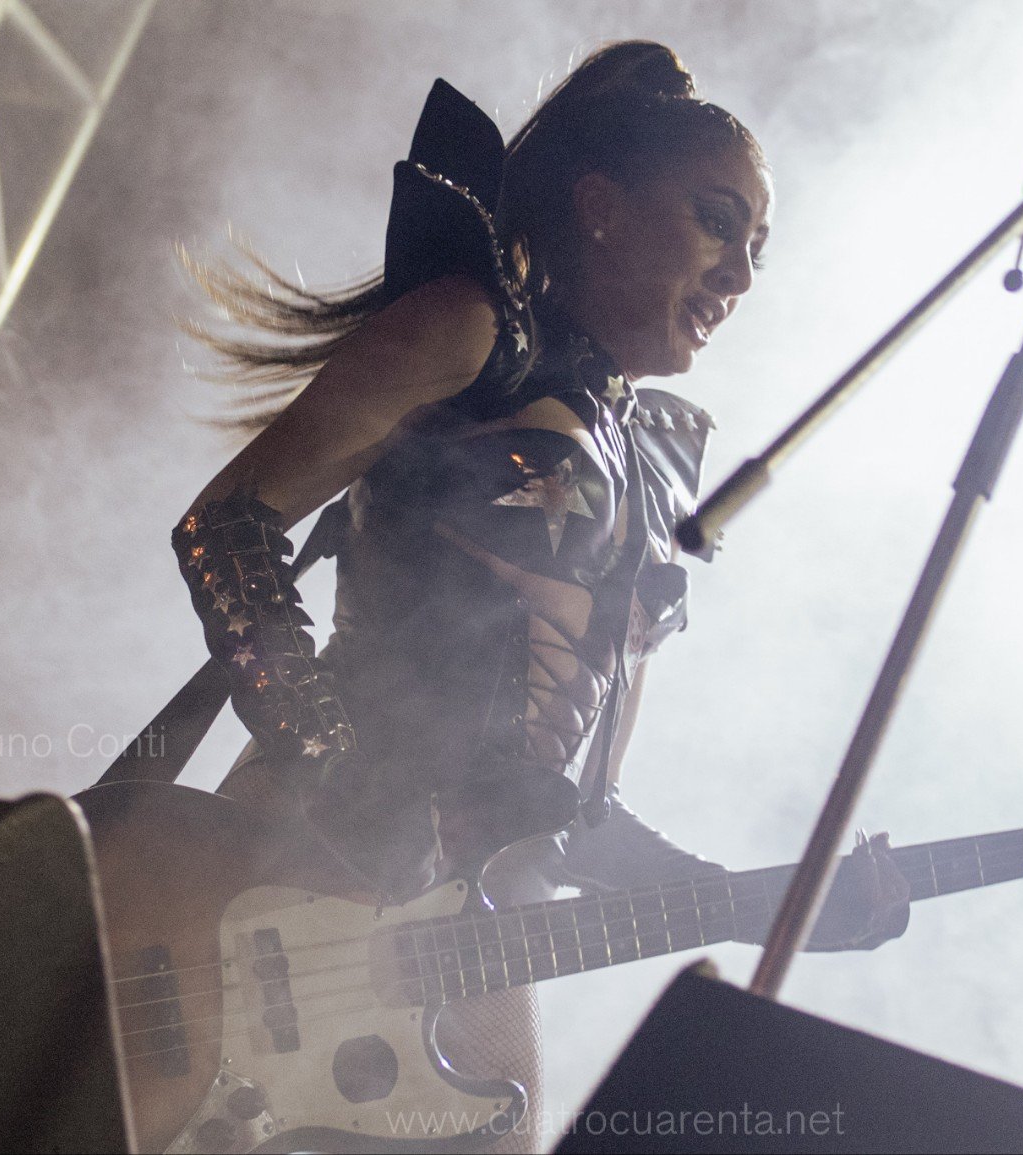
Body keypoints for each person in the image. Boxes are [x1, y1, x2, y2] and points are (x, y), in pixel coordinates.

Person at [172, 41, 908, 1152]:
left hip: (475, 934)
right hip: (294, 875)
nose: (741, 277)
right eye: (717, 223)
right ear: (601, 208)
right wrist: (327, 761)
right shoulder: (473, 333)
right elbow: (227, 525)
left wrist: (770, 904)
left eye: (758, 248)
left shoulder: (658, 485)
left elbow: (575, 821)